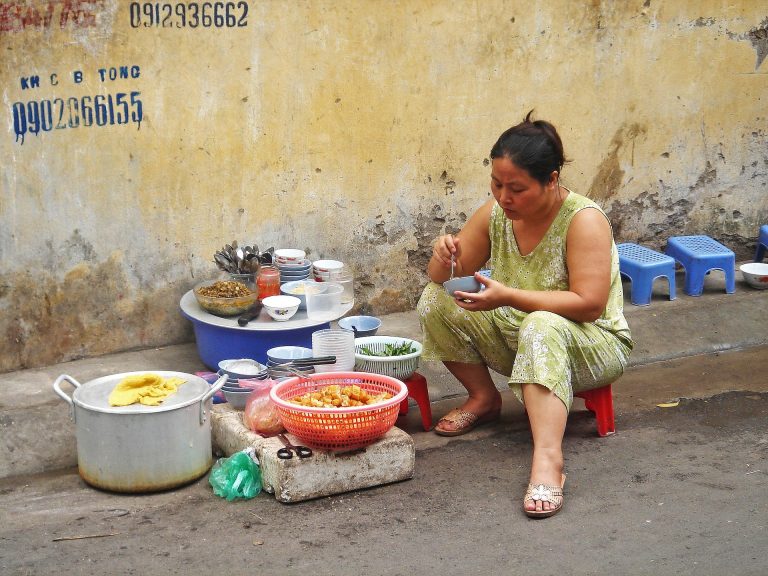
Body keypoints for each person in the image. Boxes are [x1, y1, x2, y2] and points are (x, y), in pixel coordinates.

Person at [417, 111, 633, 518]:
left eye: (516, 188)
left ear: (551, 180)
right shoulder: (496, 213)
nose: (503, 197)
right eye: (496, 184)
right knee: (436, 300)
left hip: (592, 345)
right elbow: (440, 279)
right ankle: (483, 399)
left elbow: (590, 304)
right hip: (520, 336)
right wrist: (443, 254)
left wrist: (511, 297)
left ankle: (549, 462)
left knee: (541, 323)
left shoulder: (583, 220)